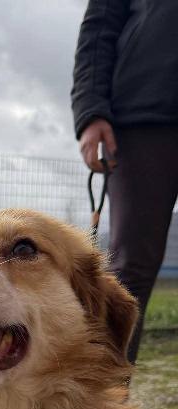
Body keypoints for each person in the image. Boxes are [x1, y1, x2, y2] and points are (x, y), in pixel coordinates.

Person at [71, 0, 178, 363]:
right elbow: (99, 28)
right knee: (128, 269)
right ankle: (103, 406)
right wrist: (90, 109)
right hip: (142, 115)